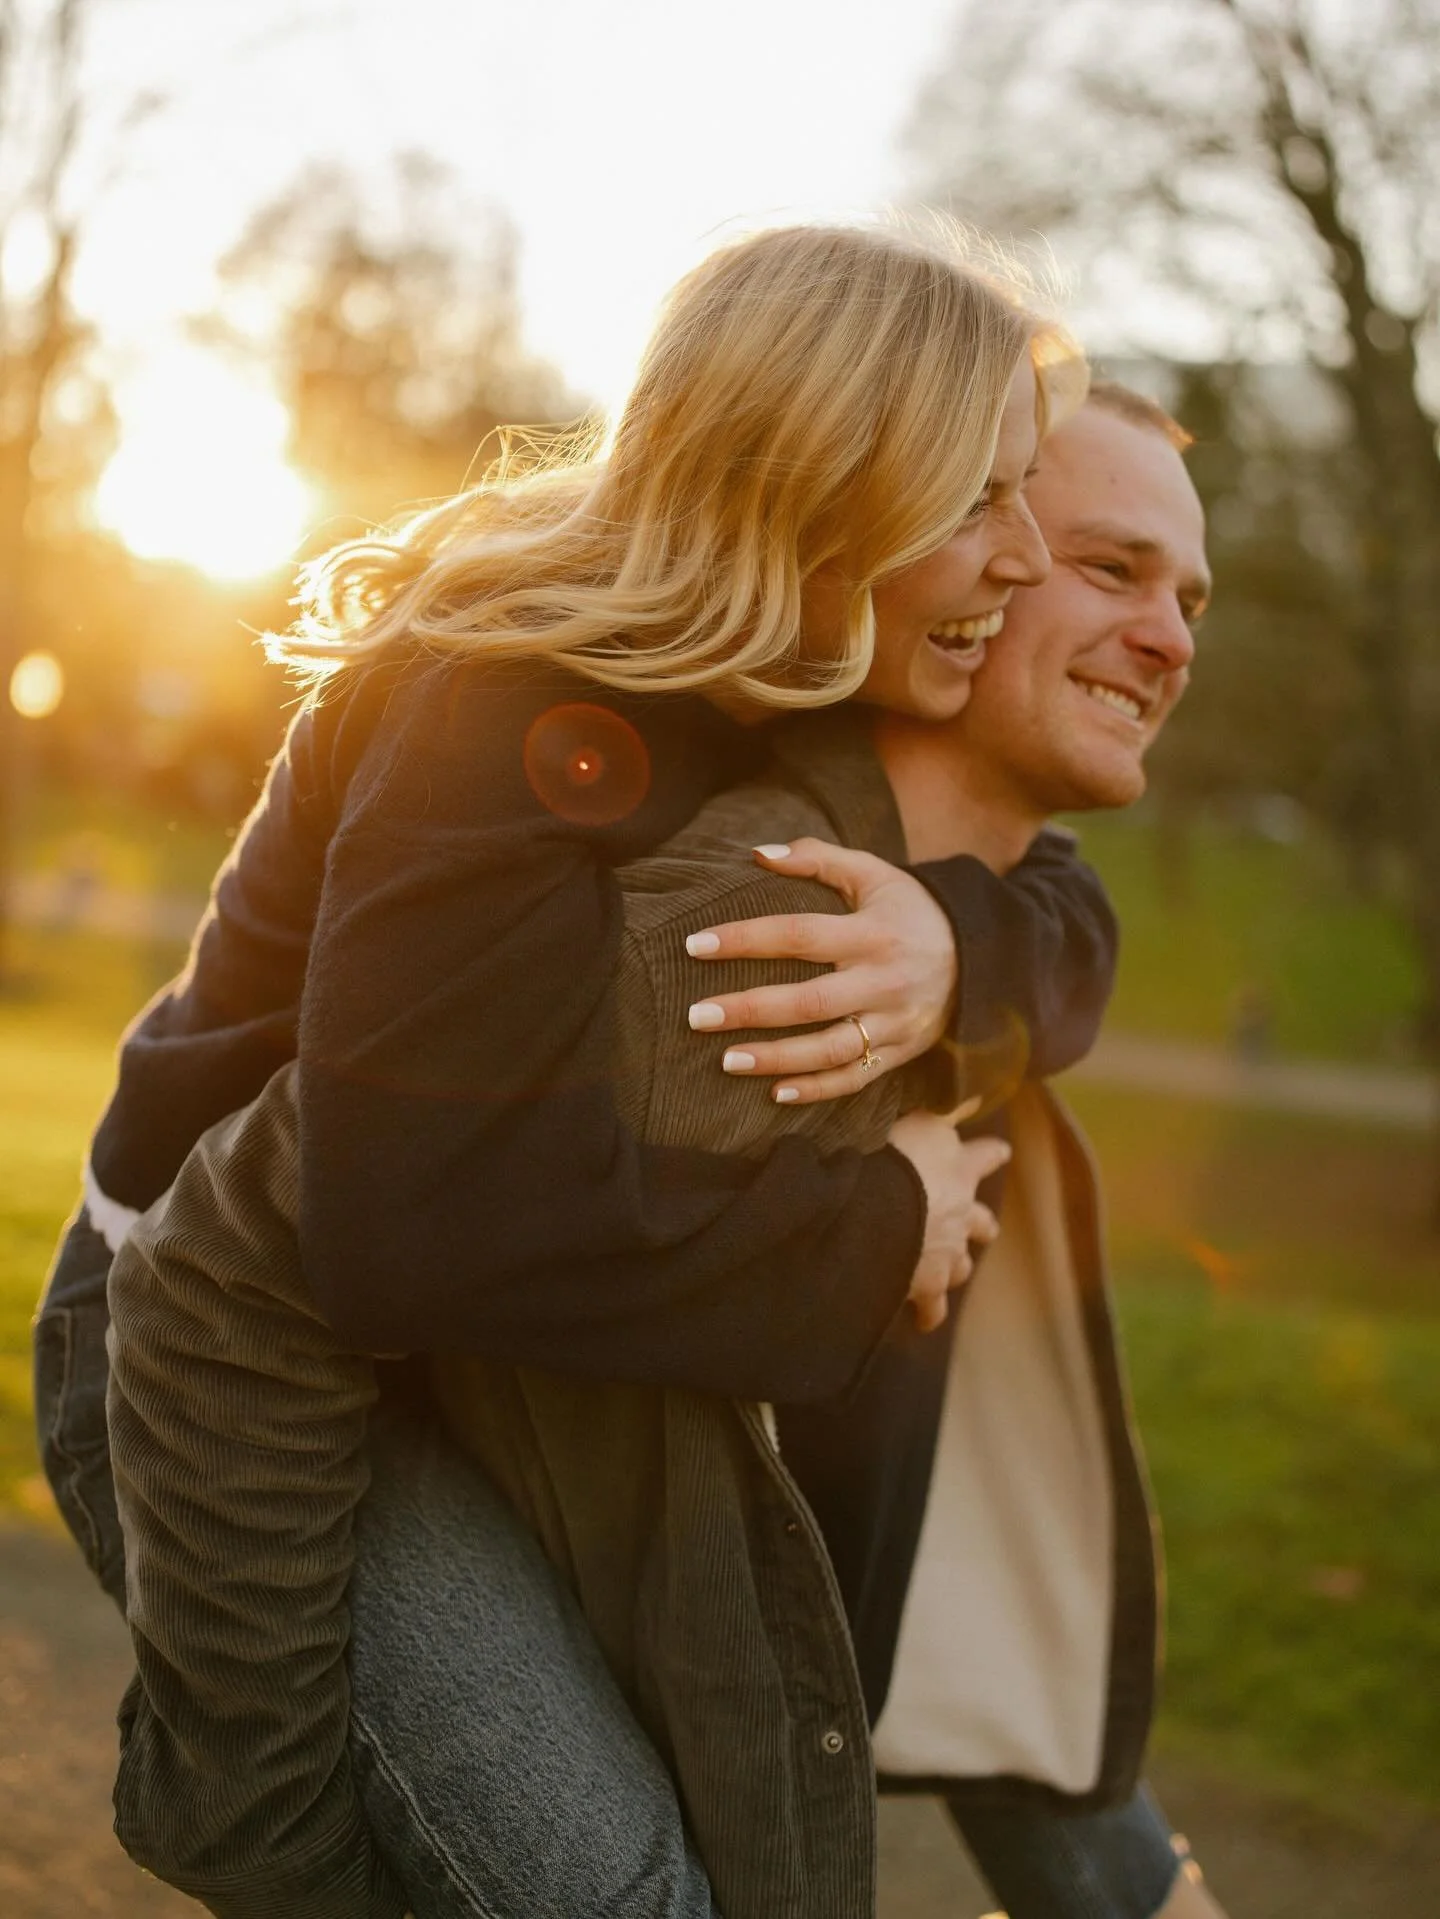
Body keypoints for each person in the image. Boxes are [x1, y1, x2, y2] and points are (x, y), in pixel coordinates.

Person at [35, 218, 1110, 1908]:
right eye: (981, 500)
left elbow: (1067, 883)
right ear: (826, 482)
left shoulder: (803, 659)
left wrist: (955, 946)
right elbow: (422, 1226)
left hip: (449, 1359)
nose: (1028, 558)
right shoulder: (497, 700)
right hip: (215, 1353)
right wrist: (877, 1227)